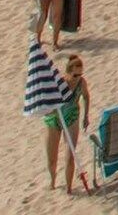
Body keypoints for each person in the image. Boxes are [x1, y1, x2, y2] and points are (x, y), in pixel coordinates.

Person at [43, 52, 92, 193]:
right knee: (51, 157)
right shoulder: (59, 84)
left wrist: (86, 116)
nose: (78, 78)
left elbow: (86, 97)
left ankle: (69, 189)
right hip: (54, 119)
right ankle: (52, 183)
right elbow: (47, 104)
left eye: (81, 74)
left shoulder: (81, 83)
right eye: (75, 75)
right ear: (68, 73)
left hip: (71, 117)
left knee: (70, 155)